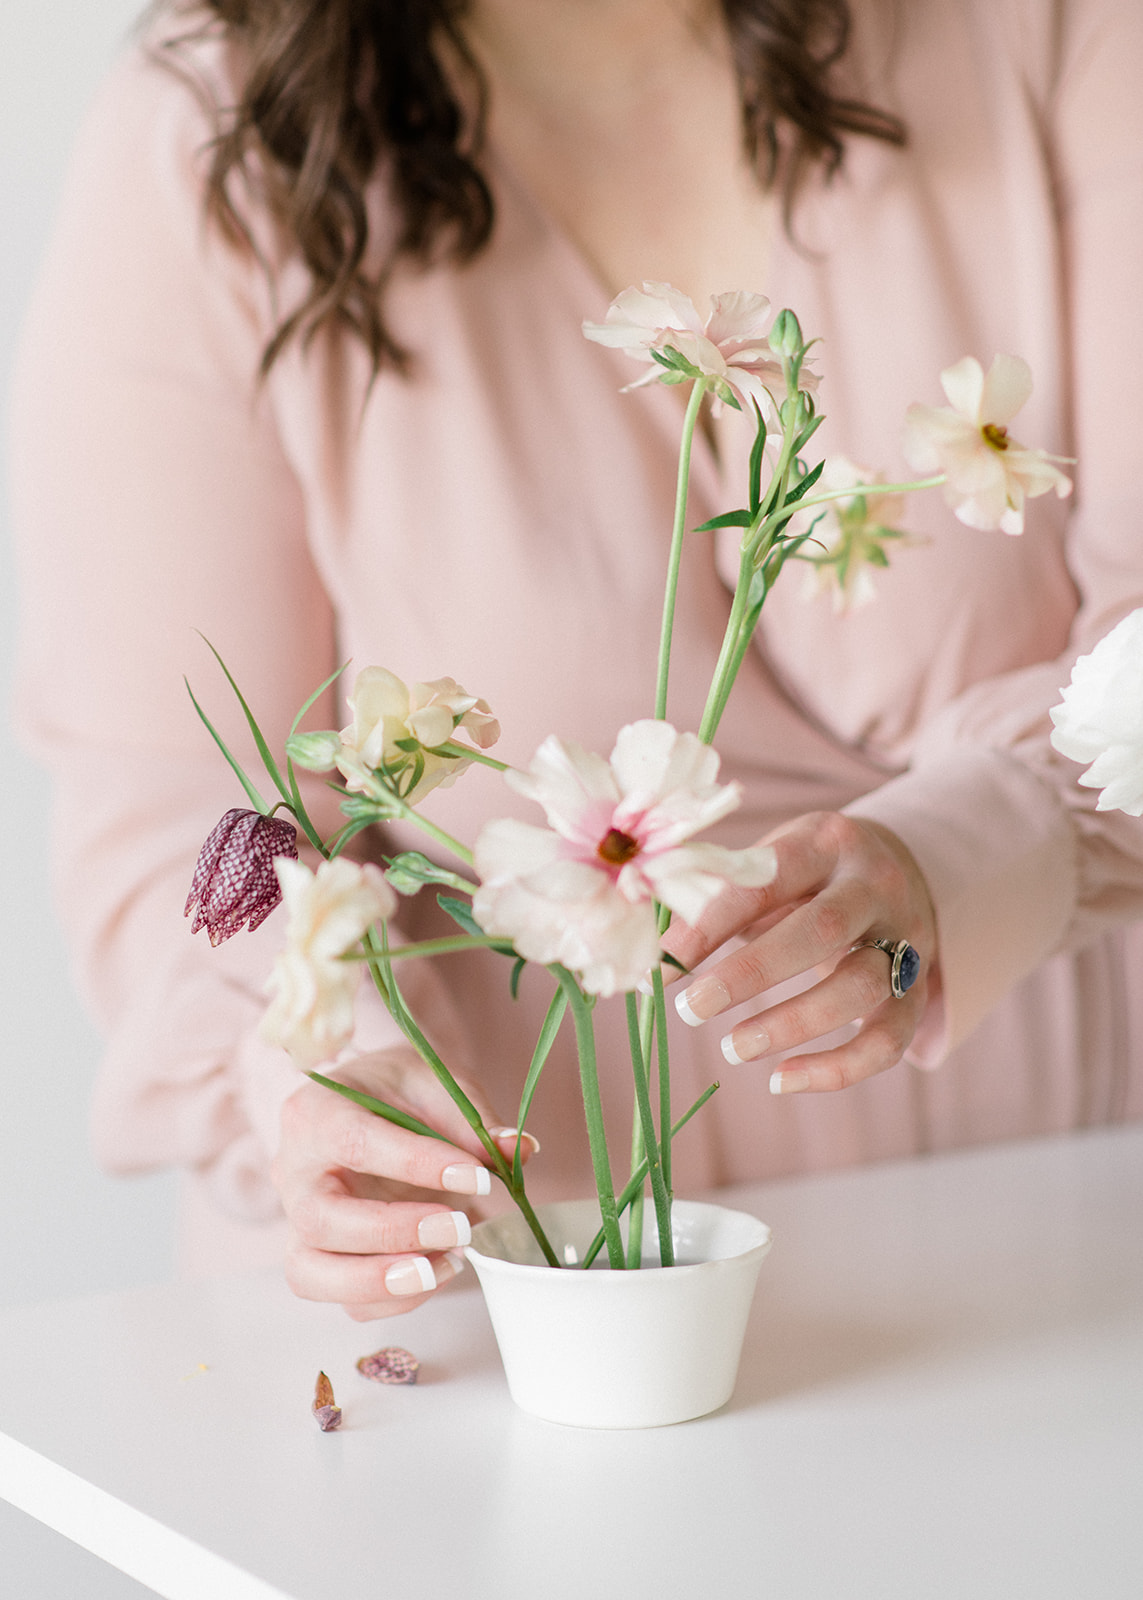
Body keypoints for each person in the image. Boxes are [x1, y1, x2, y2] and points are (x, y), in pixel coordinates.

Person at [11, 0, 1143, 1319]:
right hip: (498, 1334)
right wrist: (314, 1067)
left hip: (1058, 1290)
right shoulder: (210, 140)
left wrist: (972, 849)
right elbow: (175, 824)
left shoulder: (1054, 26)